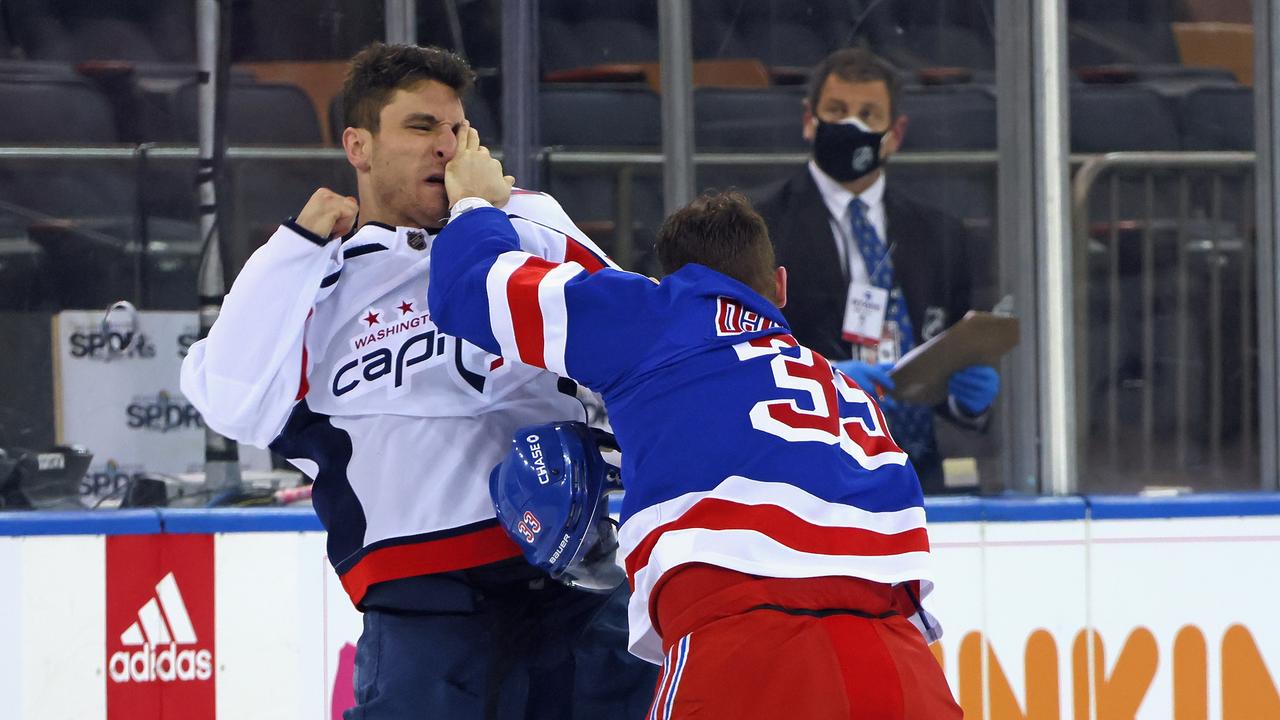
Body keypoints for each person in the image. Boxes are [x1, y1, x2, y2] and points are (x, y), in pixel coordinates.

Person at [180, 42, 656, 719]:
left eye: (457, 129)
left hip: (576, 587)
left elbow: (644, 338)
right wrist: (293, 246)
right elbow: (228, 401)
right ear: (359, 146)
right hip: (425, 606)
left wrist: (501, 213)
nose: (446, 146)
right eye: (420, 127)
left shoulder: (527, 226)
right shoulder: (316, 279)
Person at [428, 131, 961, 717]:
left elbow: (469, 290)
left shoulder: (655, 316)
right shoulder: (845, 387)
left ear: (671, 279)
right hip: (901, 663)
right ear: (779, 287)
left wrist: (473, 205)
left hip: (747, 647)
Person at [750, 47, 998, 493]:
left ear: (896, 132)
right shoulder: (756, 227)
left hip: (919, 477)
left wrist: (968, 402)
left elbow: (958, 344)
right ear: (810, 119)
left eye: (868, 114)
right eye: (837, 111)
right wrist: (825, 379)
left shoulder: (941, 233)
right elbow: (734, 354)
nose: (852, 126)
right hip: (803, 472)